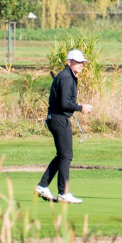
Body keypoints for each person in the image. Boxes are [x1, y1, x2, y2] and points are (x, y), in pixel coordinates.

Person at [36, 48, 91, 204]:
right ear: (69, 62)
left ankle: (43, 186)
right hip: (59, 119)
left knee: (62, 155)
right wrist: (80, 108)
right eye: (78, 62)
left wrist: (77, 105)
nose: (81, 65)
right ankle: (63, 192)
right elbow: (64, 103)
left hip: (57, 118)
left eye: (82, 62)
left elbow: (65, 101)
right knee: (66, 155)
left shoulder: (68, 76)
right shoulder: (66, 78)